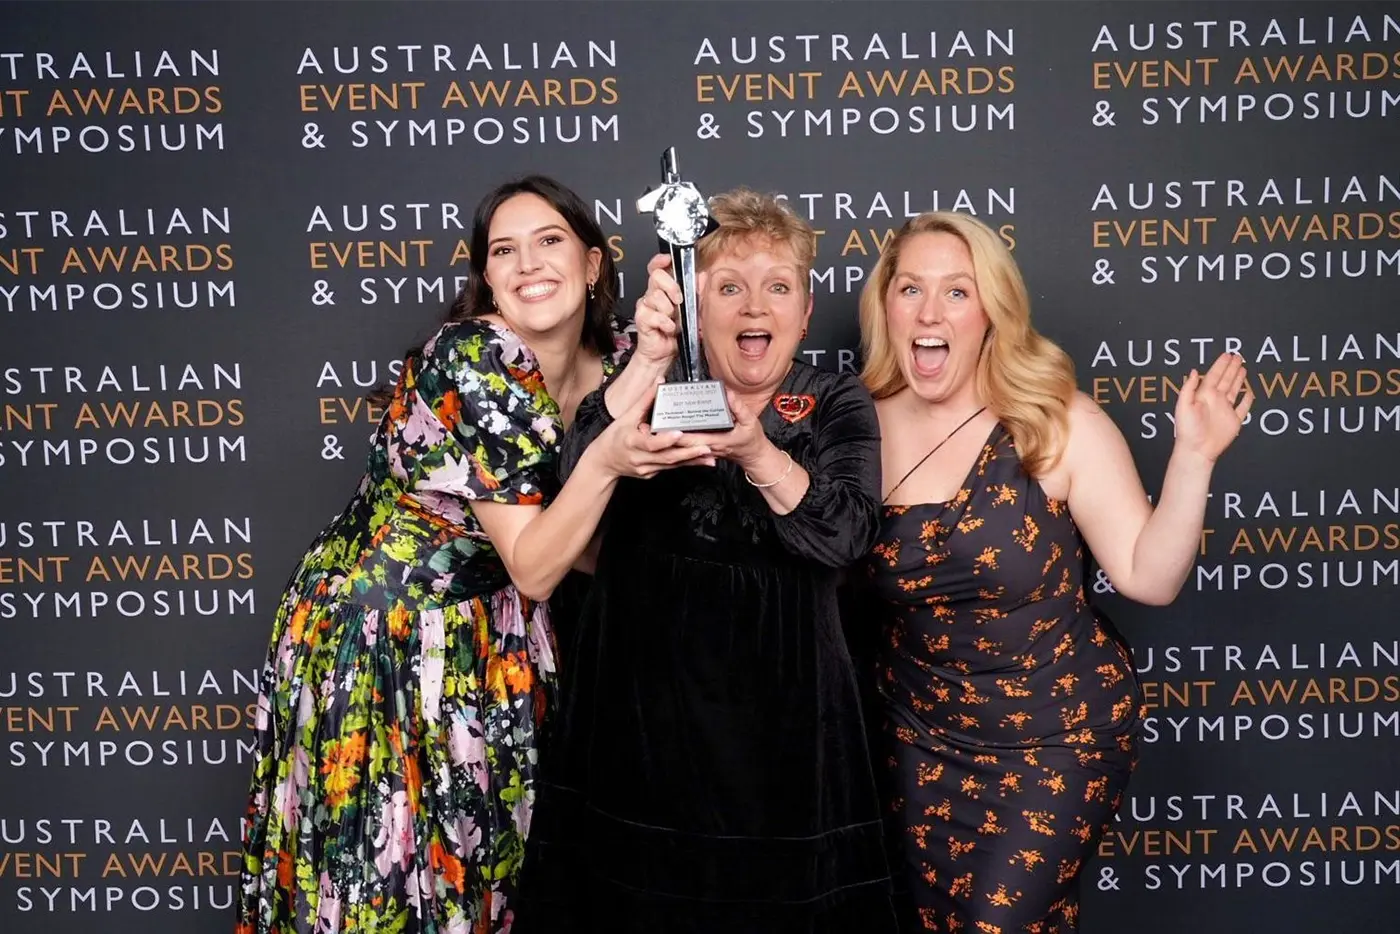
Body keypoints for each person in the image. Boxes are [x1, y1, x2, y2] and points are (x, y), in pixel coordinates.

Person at [234, 175, 711, 934]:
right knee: (387, 880)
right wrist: (608, 464)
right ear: (486, 278)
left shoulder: (620, 355)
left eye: (549, 241)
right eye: (504, 250)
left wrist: (659, 356)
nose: (528, 263)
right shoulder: (470, 357)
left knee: (499, 872)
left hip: (497, 634)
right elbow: (538, 563)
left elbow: (593, 543)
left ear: (592, 264)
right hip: (385, 641)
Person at [855, 211, 1253, 932]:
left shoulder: (1052, 421)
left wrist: (1194, 458)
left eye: (956, 291)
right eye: (910, 288)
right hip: (917, 741)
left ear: (991, 312)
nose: (928, 311)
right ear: (885, 304)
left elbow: (1148, 576)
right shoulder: (854, 426)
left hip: (1055, 737)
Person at [516, 189, 898, 933]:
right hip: (643, 738)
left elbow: (846, 537)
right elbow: (570, 489)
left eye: (776, 286)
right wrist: (650, 359)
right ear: (694, 308)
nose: (755, 306)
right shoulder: (645, 392)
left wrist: (757, 451)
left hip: (788, 742)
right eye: (728, 287)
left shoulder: (834, 400)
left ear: (806, 310)